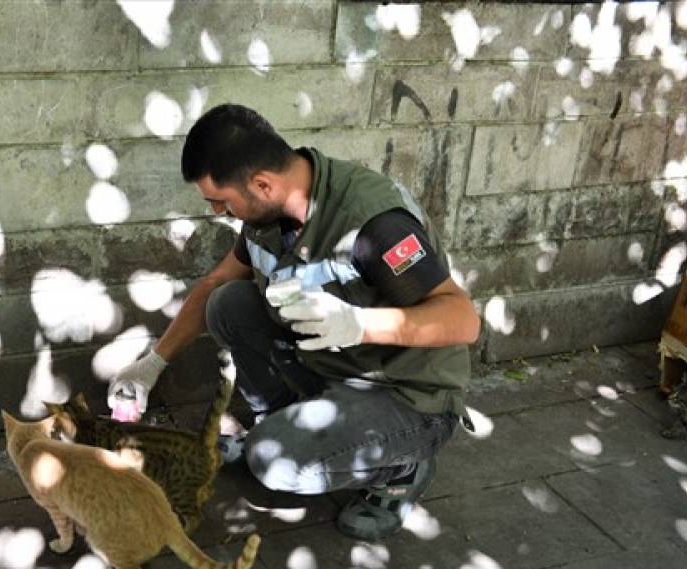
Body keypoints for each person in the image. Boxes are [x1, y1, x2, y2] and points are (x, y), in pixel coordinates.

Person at [107, 104, 480, 540]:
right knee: (229, 304)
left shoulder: (373, 223)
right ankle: (287, 425)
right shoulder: (269, 213)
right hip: (338, 367)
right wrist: (152, 364)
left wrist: (359, 324)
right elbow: (216, 283)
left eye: (221, 201)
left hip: (408, 395)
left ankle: (402, 467)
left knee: (273, 463)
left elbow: (463, 318)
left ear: (262, 184)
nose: (217, 212)